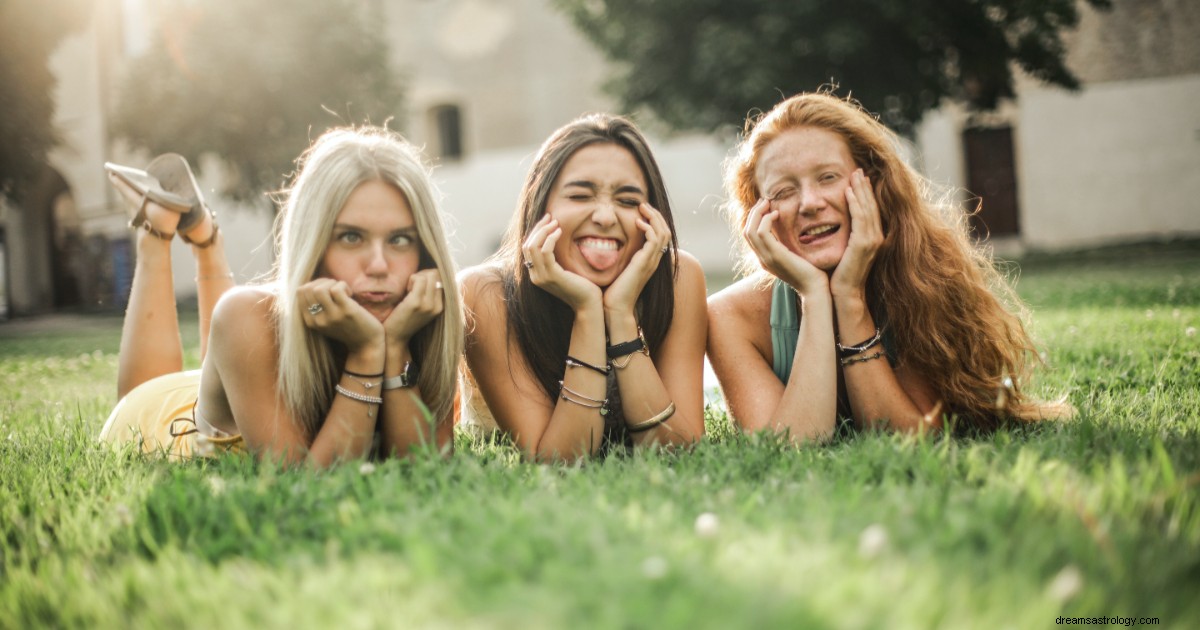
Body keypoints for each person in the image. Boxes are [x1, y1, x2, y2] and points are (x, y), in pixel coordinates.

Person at [707, 92, 1068, 441]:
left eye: (828, 177)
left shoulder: (923, 276)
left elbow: (910, 437)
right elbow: (789, 445)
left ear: (874, 182)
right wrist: (814, 294)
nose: (810, 203)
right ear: (759, 216)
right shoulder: (729, 316)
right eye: (783, 192)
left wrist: (849, 297)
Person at [99, 126, 462, 466]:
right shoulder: (247, 316)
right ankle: (158, 231)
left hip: (240, 382)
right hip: (159, 420)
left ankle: (207, 238)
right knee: (229, 324)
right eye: (351, 237)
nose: (380, 265)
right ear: (314, 243)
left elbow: (424, 466)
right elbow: (310, 487)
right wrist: (366, 354)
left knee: (235, 341)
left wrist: (396, 347)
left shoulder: (425, 314)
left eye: (400, 239)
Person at [460, 113, 708, 462]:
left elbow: (679, 449)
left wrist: (620, 313)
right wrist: (588, 311)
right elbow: (560, 460)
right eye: (580, 196)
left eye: (626, 200)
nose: (606, 217)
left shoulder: (678, 279)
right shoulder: (486, 294)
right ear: (539, 205)